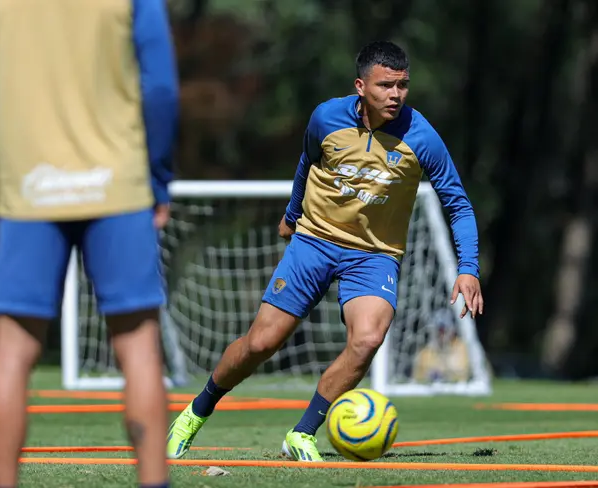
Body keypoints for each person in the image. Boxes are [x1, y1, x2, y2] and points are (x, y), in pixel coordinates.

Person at [166, 40, 483, 462]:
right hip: (314, 242)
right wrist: (292, 213)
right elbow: (307, 163)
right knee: (261, 344)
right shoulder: (325, 118)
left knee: (368, 338)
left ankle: (302, 433)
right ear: (360, 86)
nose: (395, 95)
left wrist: (469, 267)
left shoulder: (421, 136)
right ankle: (195, 411)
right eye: (385, 85)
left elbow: (457, 203)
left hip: (373, 256)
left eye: (402, 86)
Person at [0, 1, 178, 487]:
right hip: (117, 186)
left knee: (12, 351)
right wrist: (157, 177)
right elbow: (161, 87)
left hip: (30, 191)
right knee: (138, 350)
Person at [413, 308, 471, 383]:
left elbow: (464, 375)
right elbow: (418, 378)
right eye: (438, 330)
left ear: (452, 330)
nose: (441, 334)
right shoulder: (425, 352)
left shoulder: (462, 348)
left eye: (444, 330)